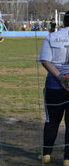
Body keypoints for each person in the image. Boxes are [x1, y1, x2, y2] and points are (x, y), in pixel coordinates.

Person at [39, 11, 69, 166]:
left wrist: (61, 78)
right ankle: (67, 159)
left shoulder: (52, 37)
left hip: (54, 86)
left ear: (63, 21)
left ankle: (46, 156)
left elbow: (45, 60)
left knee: (52, 121)